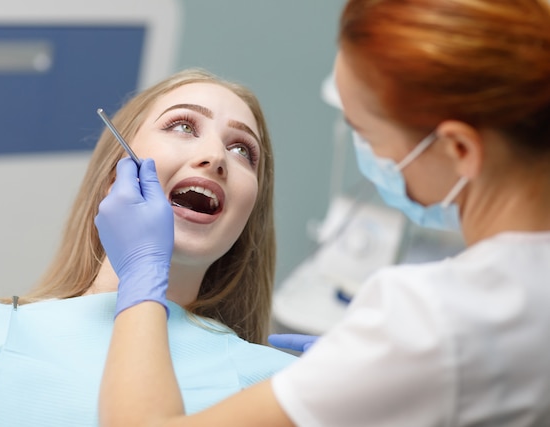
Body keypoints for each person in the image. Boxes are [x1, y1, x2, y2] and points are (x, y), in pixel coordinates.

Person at [96, 0, 550, 425]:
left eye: (366, 133)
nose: (214, 156)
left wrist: (142, 276)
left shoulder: (434, 320)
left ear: (458, 149)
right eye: (182, 125)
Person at [0, 68, 297, 426]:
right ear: (113, 176)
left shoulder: (278, 386)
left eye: (242, 150)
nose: (216, 157)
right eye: (183, 126)